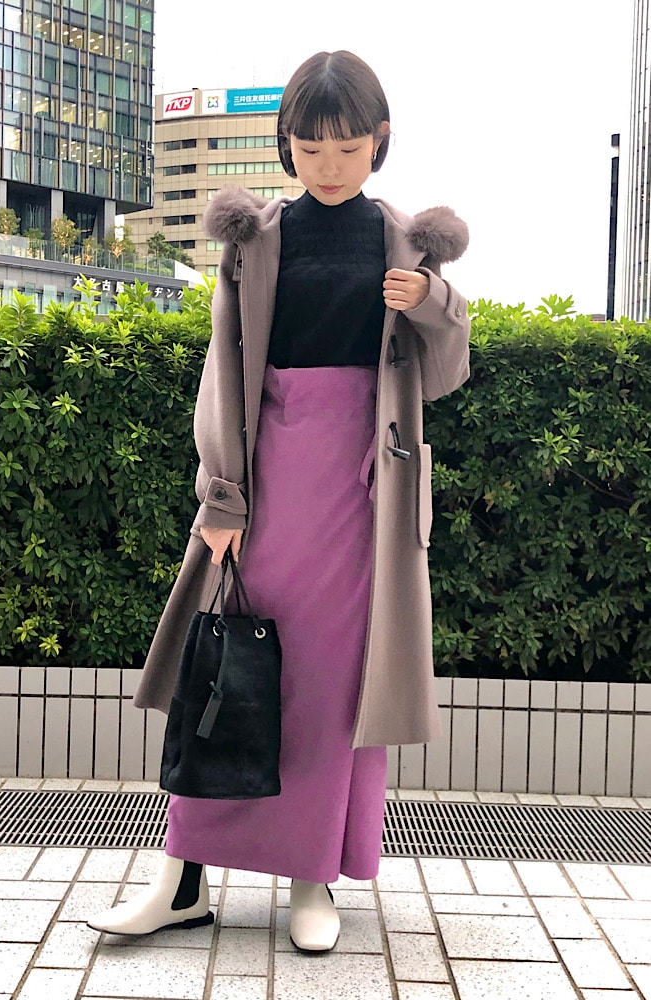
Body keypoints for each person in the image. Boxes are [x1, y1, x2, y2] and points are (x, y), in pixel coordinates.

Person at [88, 50, 470, 953]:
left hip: (363, 494)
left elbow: (445, 377)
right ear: (285, 143)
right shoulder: (254, 237)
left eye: (348, 147)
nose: (328, 164)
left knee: (332, 684)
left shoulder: (405, 242)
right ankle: (181, 877)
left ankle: (311, 877)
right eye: (310, 146)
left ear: (380, 140)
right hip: (263, 483)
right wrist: (220, 496)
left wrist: (433, 301)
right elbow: (223, 377)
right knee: (221, 670)